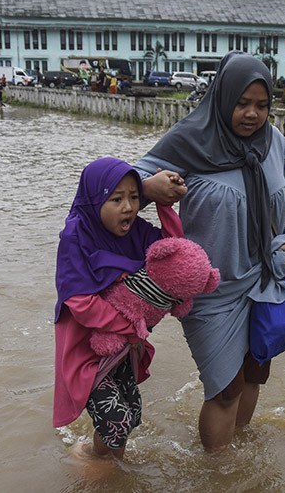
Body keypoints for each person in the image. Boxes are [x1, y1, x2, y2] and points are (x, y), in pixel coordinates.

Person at [135, 51, 285, 452]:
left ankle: (237, 458)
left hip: (266, 277)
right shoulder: (191, 140)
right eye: (242, 103)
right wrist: (149, 189)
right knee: (224, 388)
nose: (252, 115)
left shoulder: (274, 142)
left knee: (253, 374)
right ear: (222, 97)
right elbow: (124, 186)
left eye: (262, 106)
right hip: (209, 291)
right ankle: (216, 472)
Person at [53, 157, 186, 460]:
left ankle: (101, 457)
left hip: (125, 346)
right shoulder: (75, 236)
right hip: (86, 346)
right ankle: (93, 462)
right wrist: (131, 326)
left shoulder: (136, 230)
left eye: (135, 197)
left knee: (130, 413)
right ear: (94, 199)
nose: (128, 207)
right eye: (116, 199)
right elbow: (80, 303)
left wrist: (164, 205)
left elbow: (174, 253)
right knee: (115, 422)